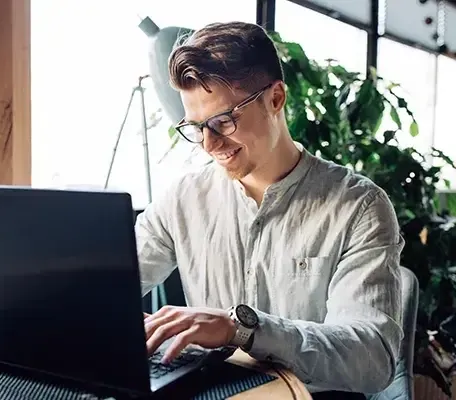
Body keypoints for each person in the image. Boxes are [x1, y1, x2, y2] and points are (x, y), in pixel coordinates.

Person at [136, 21, 404, 399]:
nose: (209, 144)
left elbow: (371, 358)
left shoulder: (359, 207)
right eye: (196, 127)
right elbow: (109, 285)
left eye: (223, 121)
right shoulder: (182, 198)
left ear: (275, 98)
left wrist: (241, 329)